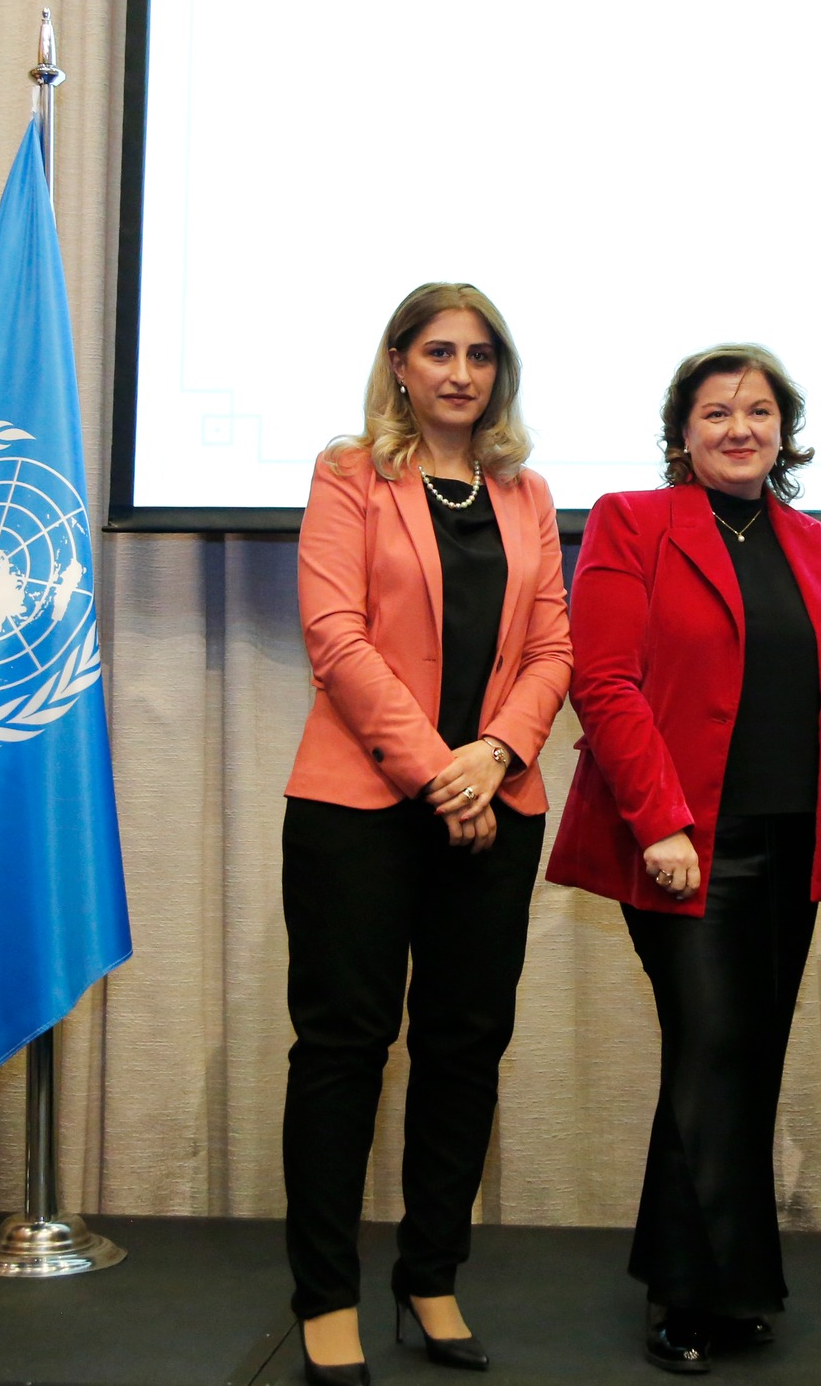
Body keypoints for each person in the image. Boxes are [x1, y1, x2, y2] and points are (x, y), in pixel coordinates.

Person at [546, 344, 821, 1374]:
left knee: (748, 1060)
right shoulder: (630, 520)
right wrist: (659, 821)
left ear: (784, 431)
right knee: (710, 1050)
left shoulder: (811, 540)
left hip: (791, 841)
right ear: (681, 432)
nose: (740, 428)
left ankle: (727, 1281)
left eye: (759, 411)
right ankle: (685, 1292)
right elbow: (603, 681)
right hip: (684, 842)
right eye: (717, 412)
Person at [281, 283, 573, 1384]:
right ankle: (324, 1298)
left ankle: (430, 1276)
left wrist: (493, 755)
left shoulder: (527, 493)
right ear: (400, 363)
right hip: (357, 808)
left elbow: (552, 647)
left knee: (464, 1047)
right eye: (440, 351)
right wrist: (441, 774)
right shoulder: (349, 472)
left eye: (481, 354)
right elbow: (335, 635)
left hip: (495, 807)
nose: (461, 372)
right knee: (343, 1050)